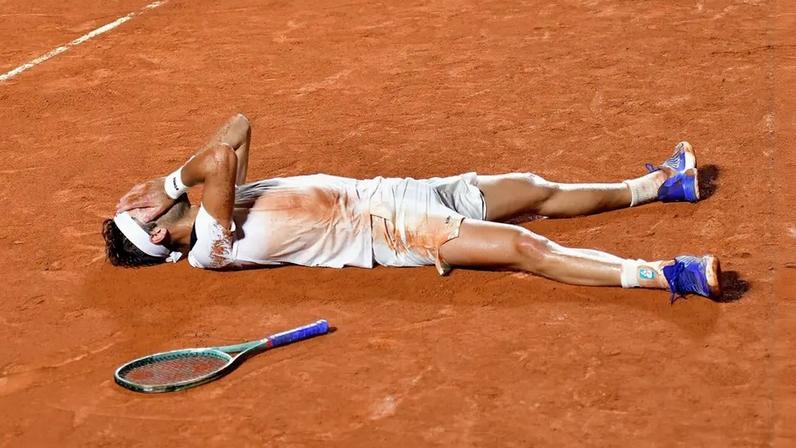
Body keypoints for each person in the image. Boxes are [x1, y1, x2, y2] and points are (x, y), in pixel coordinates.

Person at [104, 114, 720, 302]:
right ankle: (669, 274)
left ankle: (662, 187)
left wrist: (168, 186)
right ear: (158, 231)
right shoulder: (209, 244)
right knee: (527, 250)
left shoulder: (219, 200)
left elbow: (237, 126)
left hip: (400, 191)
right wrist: (167, 181)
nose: (144, 197)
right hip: (398, 233)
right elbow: (217, 157)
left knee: (535, 190)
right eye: (142, 207)